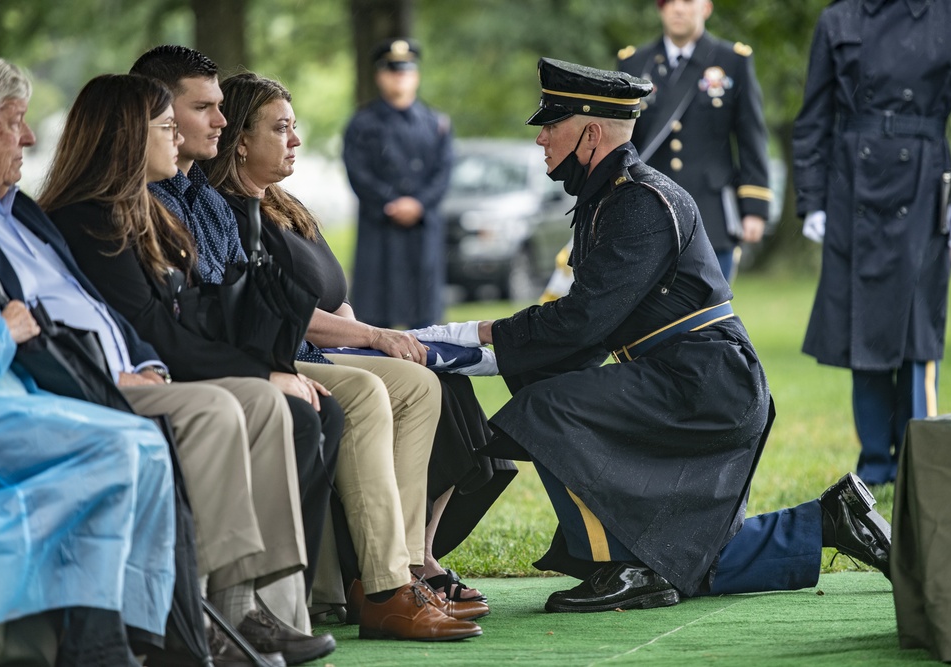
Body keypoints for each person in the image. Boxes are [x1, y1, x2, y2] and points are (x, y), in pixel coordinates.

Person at [416, 57, 892, 612]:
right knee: (677, 555)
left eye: (552, 124)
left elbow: (582, 322)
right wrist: (465, 351)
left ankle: (616, 567)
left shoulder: (638, 201)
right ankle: (827, 522)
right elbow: (586, 337)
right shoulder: (609, 198)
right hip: (688, 377)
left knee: (546, 412)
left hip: (704, 385)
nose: (542, 138)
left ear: (590, 133)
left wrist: (463, 336)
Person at [0, 52, 325, 665]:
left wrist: (152, 365)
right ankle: (192, 613)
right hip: (77, 385)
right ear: (127, 138)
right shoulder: (85, 218)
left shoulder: (26, 213)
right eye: (14, 121)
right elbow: (125, 323)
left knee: (274, 405)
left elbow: (118, 320)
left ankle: (245, 606)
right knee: (227, 407)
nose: (29, 136)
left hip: (132, 372)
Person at [201, 70, 486, 641]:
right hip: (281, 353)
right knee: (377, 386)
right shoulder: (222, 208)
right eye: (281, 128)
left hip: (325, 343)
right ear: (241, 138)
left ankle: (404, 569)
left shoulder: (280, 202)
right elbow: (266, 311)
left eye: (295, 127)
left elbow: (324, 290)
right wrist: (375, 337)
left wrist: (362, 328)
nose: (296, 140)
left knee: (423, 382)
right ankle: (383, 584)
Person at [792, 0, 951, 486]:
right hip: (853, 184)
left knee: (917, 332)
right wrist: (812, 199)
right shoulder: (839, 18)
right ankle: (875, 465)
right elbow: (813, 118)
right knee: (864, 329)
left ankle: (920, 465)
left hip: (922, 184)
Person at [0, 301, 176, 667]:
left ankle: (135, 634)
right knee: (115, 447)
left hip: (14, 391)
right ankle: (93, 641)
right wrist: (0, 331)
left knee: (147, 443)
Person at [616, 0, 771, 283]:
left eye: (687, 1)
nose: (678, 9)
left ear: (706, 8)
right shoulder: (634, 62)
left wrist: (755, 208)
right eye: (669, 2)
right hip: (650, 212)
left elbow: (751, 136)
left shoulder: (732, 60)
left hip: (711, 212)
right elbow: (623, 142)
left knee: (710, 315)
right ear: (660, 8)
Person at [342, 38, 453, 328]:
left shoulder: (436, 123)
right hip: (381, 229)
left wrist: (417, 204)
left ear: (415, 76)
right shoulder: (362, 123)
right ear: (380, 76)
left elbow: (443, 173)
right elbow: (358, 172)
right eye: (392, 71)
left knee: (426, 321)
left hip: (422, 227)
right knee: (375, 319)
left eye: (406, 70)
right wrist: (391, 202)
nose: (399, 77)